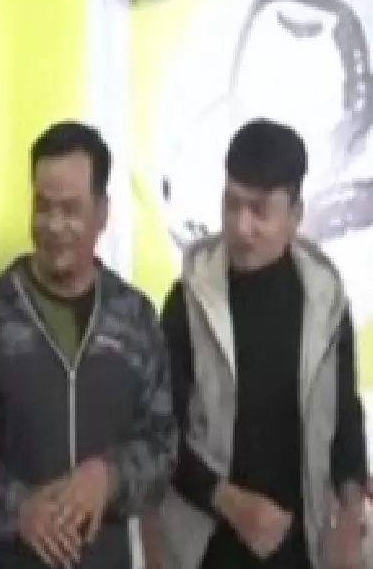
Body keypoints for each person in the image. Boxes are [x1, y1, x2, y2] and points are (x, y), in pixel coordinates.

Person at [152, 119, 367, 569]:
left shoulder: (326, 299)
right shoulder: (190, 300)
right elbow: (160, 436)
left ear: (295, 214)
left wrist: (351, 513)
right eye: (231, 204)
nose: (241, 226)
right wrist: (232, 503)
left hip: (302, 547)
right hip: (207, 547)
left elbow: (345, 415)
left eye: (259, 210)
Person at [0, 121, 177, 569]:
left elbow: (163, 445)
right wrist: (19, 510)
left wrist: (109, 477)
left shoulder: (136, 317)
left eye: (70, 210)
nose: (54, 226)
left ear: (102, 213)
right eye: (42, 207)